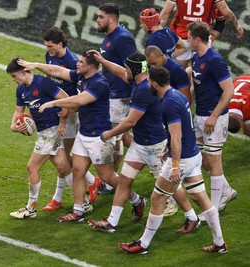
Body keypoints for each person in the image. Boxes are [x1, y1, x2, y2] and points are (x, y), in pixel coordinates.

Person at [118, 66, 228, 254]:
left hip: (182, 159)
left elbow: (176, 135)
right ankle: (219, 243)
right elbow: (181, 132)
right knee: (201, 198)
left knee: (157, 198)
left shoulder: (169, 103)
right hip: (193, 155)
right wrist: (168, 149)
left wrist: (175, 165)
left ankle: (142, 244)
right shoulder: (177, 95)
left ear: (154, 83)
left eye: (148, 82)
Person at [87, 51, 199, 233]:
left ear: (134, 69)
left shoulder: (144, 91)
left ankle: (192, 217)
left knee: (171, 186)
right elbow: (120, 73)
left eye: (127, 67)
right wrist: (102, 60)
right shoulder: (140, 80)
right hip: (140, 144)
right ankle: (112, 223)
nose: (124, 70)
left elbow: (131, 122)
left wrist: (109, 134)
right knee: (124, 181)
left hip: (154, 146)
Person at [18, 52, 118, 222]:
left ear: (91, 66)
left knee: (108, 177)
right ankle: (79, 211)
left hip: (98, 135)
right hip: (84, 133)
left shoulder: (99, 83)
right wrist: (35, 65)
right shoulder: (81, 76)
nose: (77, 64)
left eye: (81, 62)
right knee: (76, 171)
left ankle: (135, 199)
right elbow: (57, 71)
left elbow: (78, 101)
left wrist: (52, 103)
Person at [41, 27, 102, 210]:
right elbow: (50, 78)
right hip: (58, 109)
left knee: (64, 158)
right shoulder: (49, 57)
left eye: (50, 46)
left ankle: (85, 185)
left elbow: (76, 95)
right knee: (61, 156)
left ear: (60, 44)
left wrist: (62, 120)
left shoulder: (74, 63)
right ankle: (90, 183)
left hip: (70, 113)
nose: (48, 50)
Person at [6, 57, 72, 219]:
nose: (13, 80)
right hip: (43, 132)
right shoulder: (21, 90)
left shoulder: (43, 83)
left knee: (32, 167)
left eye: (14, 76)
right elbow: (18, 111)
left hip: (52, 130)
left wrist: (62, 122)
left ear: (24, 72)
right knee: (63, 168)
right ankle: (84, 198)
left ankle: (31, 208)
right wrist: (13, 125)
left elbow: (66, 99)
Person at [187, 21, 236, 215]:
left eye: (189, 37)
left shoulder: (214, 59)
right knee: (202, 160)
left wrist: (214, 117)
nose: (187, 40)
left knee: (214, 162)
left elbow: (229, 90)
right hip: (199, 116)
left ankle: (213, 210)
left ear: (197, 39)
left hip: (214, 119)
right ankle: (226, 191)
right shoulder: (195, 57)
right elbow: (195, 85)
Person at [144, 45, 191, 216]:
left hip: (174, 116)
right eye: (150, 64)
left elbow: (186, 97)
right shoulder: (156, 71)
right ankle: (193, 217)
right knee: (197, 190)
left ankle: (176, 205)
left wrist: (180, 116)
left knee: (169, 174)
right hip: (165, 114)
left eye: (155, 63)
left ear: (162, 56)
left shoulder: (176, 70)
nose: (153, 67)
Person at [96, 3, 137, 195]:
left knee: (114, 137)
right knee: (119, 136)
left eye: (101, 17)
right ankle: (148, 149)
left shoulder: (123, 39)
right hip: (111, 94)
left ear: (112, 19)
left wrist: (131, 92)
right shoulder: (109, 37)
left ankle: (110, 180)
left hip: (121, 96)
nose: (98, 20)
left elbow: (134, 67)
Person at [160, 0, 243, 67]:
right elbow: (227, 14)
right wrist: (238, 27)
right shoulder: (217, 5)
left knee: (177, 75)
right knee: (200, 77)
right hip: (202, 40)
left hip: (182, 40)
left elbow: (165, 13)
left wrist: (157, 32)